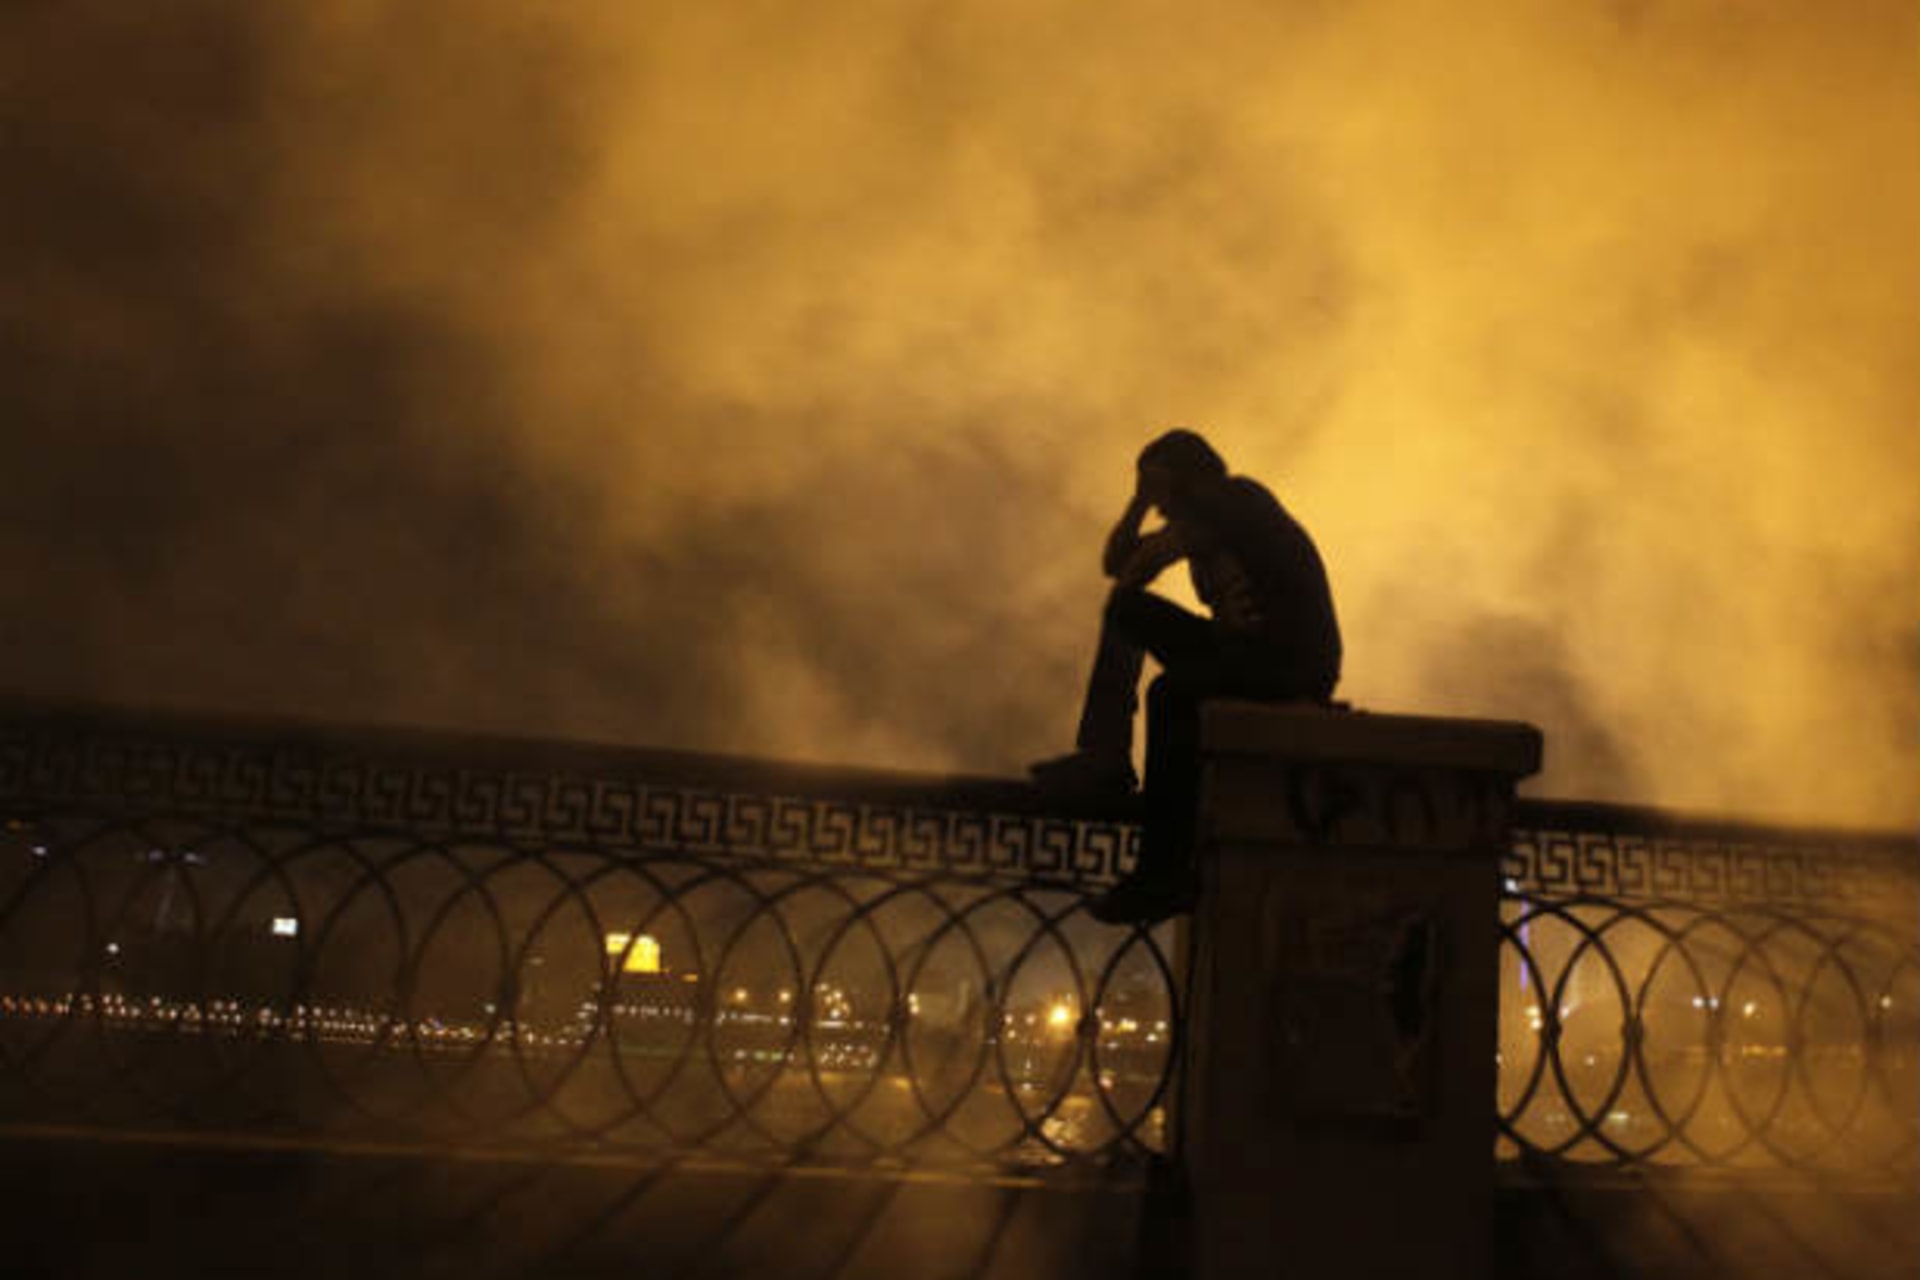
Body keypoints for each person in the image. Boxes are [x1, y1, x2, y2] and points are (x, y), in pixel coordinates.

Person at [1031, 429, 1342, 924]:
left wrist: (1132, 575)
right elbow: (1117, 564)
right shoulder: (1203, 519)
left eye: (1160, 492)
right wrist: (1135, 504)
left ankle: (1163, 871)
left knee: (1172, 695)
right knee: (1126, 614)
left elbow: (1135, 564)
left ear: (1187, 479)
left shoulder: (1234, 500)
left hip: (1287, 661)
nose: (1158, 509)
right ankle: (1105, 755)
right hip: (1244, 652)